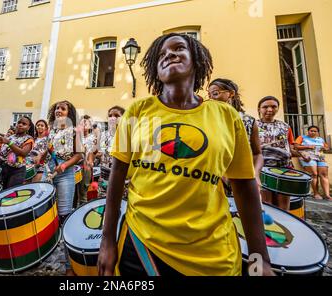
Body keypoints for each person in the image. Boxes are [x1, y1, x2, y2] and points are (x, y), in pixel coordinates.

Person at [97, 33, 273, 276]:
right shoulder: (137, 111)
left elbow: (244, 186)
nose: (169, 54)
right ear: (155, 71)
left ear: (196, 61)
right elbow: (117, 176)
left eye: (179, 48)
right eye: (161, 54)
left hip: (213, 255)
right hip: (141, 246)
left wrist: (259, 259)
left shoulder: (227, 116)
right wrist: (107, 241)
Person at [208, 79, 272, 223]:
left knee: (244, 224)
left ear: (231, 94)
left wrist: (255, 174)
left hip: (242, 181)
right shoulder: (206, 119)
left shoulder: (249, 121)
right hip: (214, 181)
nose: (211, 98)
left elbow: (257, 154)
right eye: (209, 94)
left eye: (215, 93)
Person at [42, 100, 83, 276]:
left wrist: (65, 166)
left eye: (63, 108)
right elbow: (50, 150)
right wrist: (41, 158)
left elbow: (79, 155)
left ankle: (69, 265)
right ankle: (45, 249)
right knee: (45, 212)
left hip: (65, 173)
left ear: (69, 113)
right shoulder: (51, 131)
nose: (59, 110)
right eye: (57, 108)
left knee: (64, 215)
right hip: (49, 170)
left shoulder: (75, 131)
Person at [257, 96, 295, 211]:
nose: (269, 109)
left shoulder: (285, 126)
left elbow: (289, 147)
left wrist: (303, 154)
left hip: (284, 168)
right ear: (259, 109)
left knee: (284, 206)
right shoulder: (253, 125)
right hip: (262, 169)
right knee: (267, 204)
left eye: (273, 107)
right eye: (265, 107)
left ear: (278, 108)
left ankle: (285, 227)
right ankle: (268, 228)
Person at [0, 116, 34, 189]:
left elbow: (23, 153)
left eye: (24, 124)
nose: (20, 125)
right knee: (0, 193)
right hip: (3, 169)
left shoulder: (29, 139)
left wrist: (8, 142)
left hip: (17, 171)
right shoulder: (10, 137)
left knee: (9, 196)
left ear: (28, 127)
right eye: (19, 122)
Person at [294, 125, 331, 200]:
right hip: (307, 156)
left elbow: (327, 147)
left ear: (317, 132)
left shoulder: (320, 139)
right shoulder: (302, 137)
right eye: (311, 131)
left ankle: (327, 195)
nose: (313, 132)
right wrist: (308, 147)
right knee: (314, 174)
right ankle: (316, 193)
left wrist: (325, 148)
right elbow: (296, 146)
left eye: (315, 131)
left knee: (324, 174)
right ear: (308, 131)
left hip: (320, 156)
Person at [98, 106, 125, 193]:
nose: (112, 118)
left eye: (116, 116)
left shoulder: (127, 136)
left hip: (121, 178)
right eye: (110, 116)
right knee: (102, 203)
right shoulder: (104, 135)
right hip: (104, 177)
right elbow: (100, 153)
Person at [76, 115, 97, 206]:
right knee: (74, 193)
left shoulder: (93, 138)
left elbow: (93, 153)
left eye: (86, 122)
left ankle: (82, 208)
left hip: (85, 167)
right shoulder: (75, 137)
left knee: (83, 193)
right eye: (82, 122)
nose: (83, 124)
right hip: (74, 166)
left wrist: (90, 161)